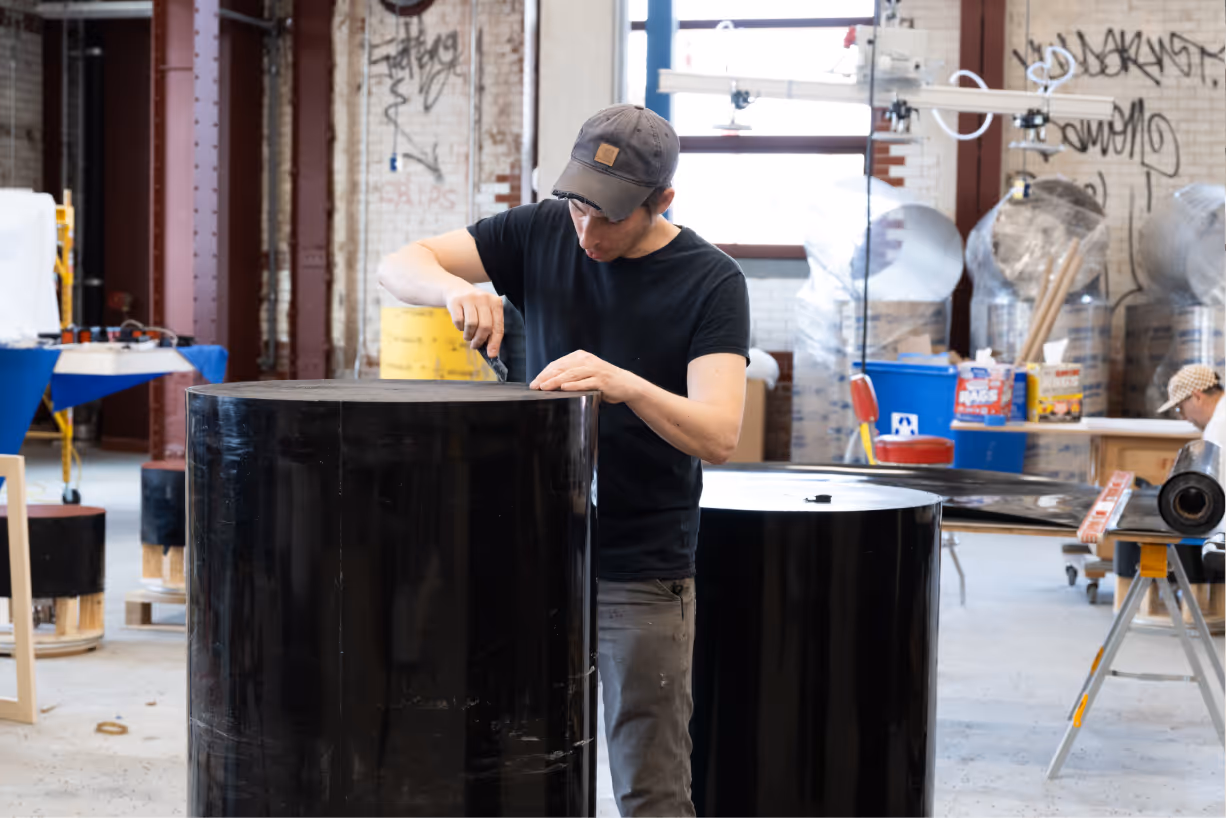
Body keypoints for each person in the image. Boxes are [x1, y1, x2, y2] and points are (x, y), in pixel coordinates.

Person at [378, 103, 750, 817]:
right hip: (531, 554)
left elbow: (718, 434)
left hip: (639, 567)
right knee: (517, 768)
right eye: (579, 206)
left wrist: (627, 384)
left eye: (609, 216)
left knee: (649, 783)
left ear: (662, 201)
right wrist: (458, 288)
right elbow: (400, 263)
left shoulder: (711, 282)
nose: (587, 230)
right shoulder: (539, 231)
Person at [1115, 365, 1226, 622]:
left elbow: (1216, 496)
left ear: (1197, 396)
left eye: (1180, 408)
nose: (1183, 417)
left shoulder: (1218, 428)